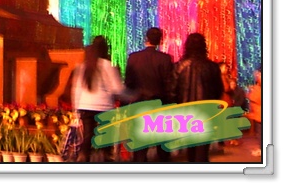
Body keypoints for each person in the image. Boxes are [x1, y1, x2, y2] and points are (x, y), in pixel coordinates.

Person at [170, 33, 224, 162]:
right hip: (206, 113)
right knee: (202, 150)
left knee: (191, 149)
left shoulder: (179, 66)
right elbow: (218, 90)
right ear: (204, 46)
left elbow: (172, 92)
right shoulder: (212, 67)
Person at [72, 36, 126, 162]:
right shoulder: (107, 65)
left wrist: (75, 109)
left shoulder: (83, 66)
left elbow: (76, 89)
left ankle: (83, 157)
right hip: (104, 106)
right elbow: (117, 88)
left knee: (88, 137)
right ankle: (105, 160)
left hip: (85, 106)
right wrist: (131, 94)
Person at [125, 27, 174, 162]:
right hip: (159, 103)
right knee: (162, 143)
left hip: (139, 104)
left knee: (140, 145)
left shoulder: (133, 58)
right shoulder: (165, 59)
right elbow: (169, 84)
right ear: (160, 40)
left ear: (146, 39)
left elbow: (128, 83)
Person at [247, 69, 261, 157]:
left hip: (259, 113)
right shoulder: (258, 86)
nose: (256, 76)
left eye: (258, 74)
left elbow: (255, 98)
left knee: (260, 132)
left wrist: (251, 92)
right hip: (257, 113)